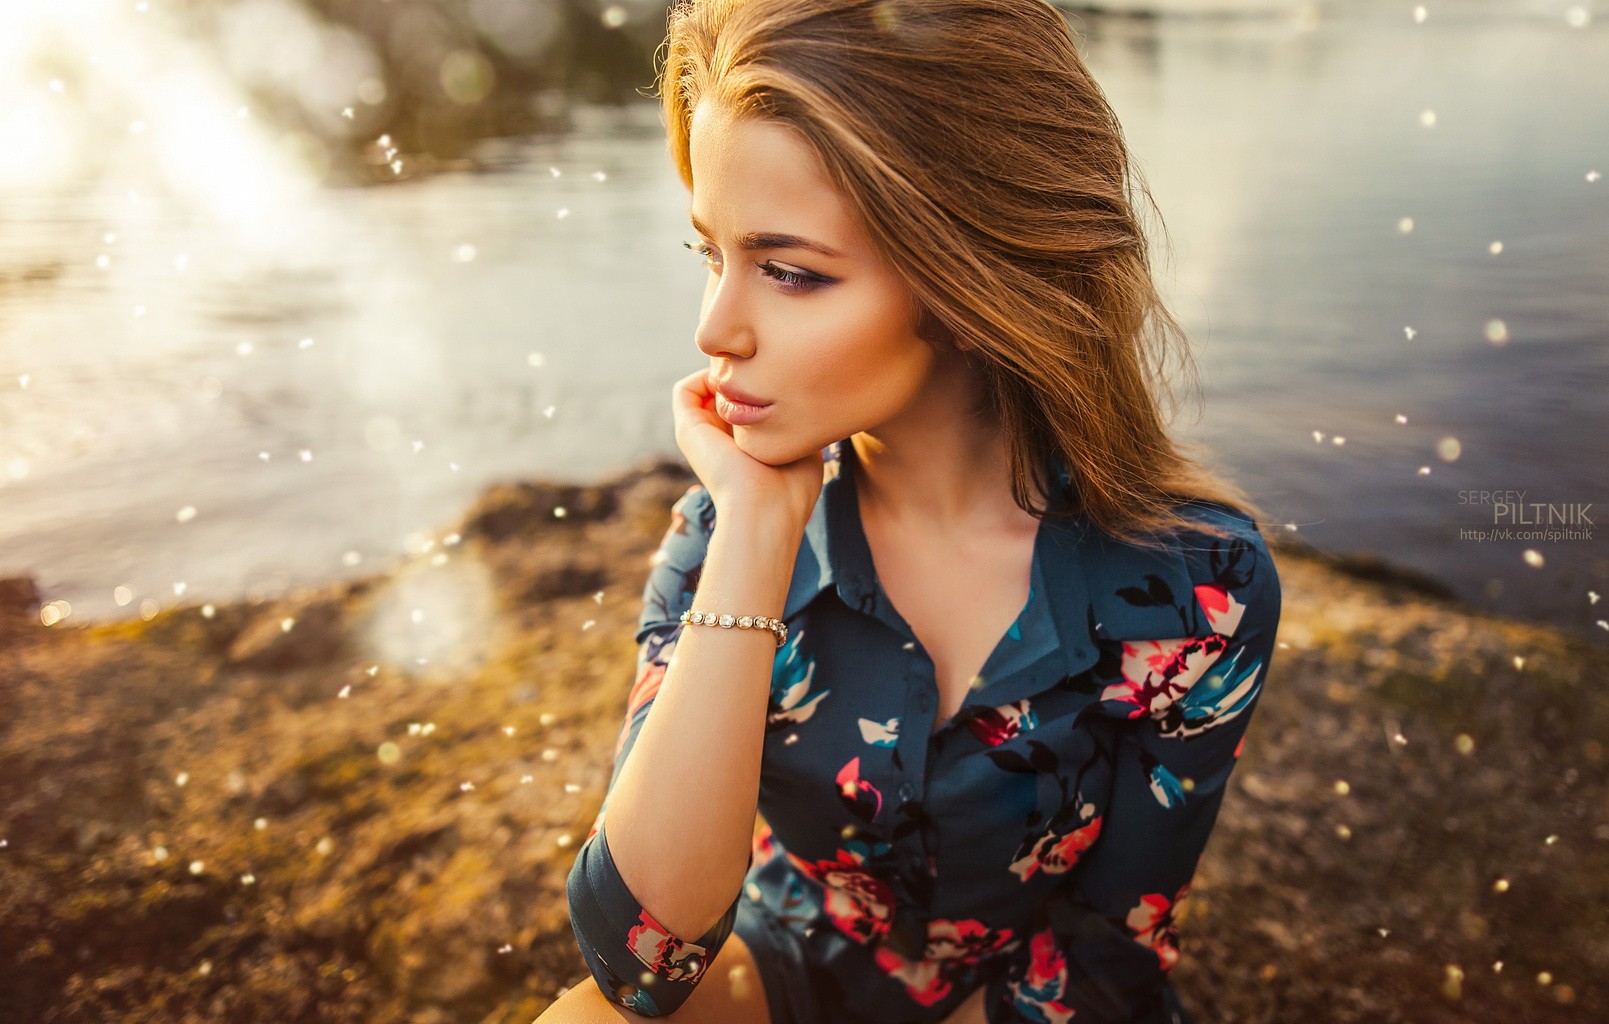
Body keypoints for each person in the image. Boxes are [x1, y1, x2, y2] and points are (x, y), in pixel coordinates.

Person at [540, 1, 1283, 1021]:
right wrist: (756, 529)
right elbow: (642, 966)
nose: (715, 326)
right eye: (710, 254)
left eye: (790, 272)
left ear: (970, 268)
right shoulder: (717, 536)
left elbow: (1110, 952)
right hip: (782, 973)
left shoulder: (1197, 588)